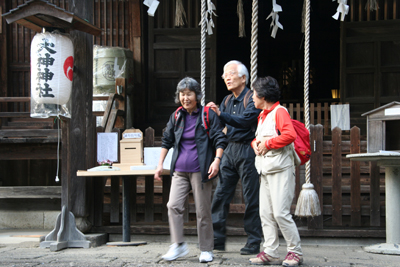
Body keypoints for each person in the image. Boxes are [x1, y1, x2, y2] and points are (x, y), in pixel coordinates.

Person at [154, 77, 228, 263]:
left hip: (200, 171)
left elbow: (220, 139)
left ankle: (206, 249)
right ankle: (178, 245)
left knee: (203, 211)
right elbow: (166, 141)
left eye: (189, 94)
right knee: (173, 205)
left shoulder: (207, 114)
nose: (185, 98)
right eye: (182, 94)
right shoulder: (176, 115)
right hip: (179, 170)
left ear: (197, 96)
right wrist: (160, 164)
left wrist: (217, 160)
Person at [207, 60, 262, 255]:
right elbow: (222, 128)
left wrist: (221, 114)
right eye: (224, 75)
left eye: (230, 73)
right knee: (220, 196)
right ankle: (217, 241)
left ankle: (254, 242)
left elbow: (246, 121)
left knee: (251, 198)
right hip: (229, 151)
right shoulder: (227, 100)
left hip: (247, 151)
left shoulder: (252, 98)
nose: (226, 77)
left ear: (244, 78)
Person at [248, 76, 303, 266]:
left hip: (281, 170)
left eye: (254, 94)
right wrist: (256, 144)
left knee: (280, 213)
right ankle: (270, 251)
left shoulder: (280, 112)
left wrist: (267, 144)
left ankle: (295, 252)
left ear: (263, 95)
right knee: (265, 213)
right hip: (265, 170)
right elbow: (257, 139)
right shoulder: (263, 115)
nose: (252, 98)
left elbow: (289, 135)